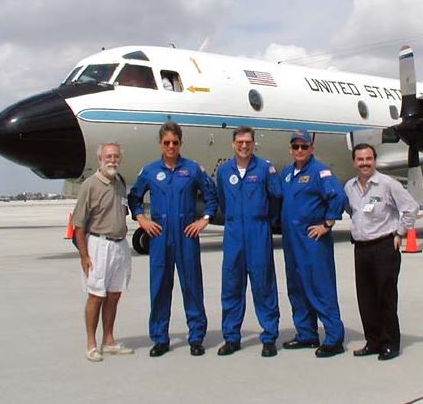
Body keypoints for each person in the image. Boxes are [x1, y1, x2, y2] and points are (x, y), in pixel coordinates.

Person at [128, 121, 218, 358]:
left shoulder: (193, 169)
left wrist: (204, 220)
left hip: (186, 236)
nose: (170, 146)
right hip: (160, 237)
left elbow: (211, 197)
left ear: (180, 143)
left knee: (192, 287)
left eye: (174, 142)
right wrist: (142, 220)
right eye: (166, 142)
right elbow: (134, 197)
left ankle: (196, 337)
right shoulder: (149, 171)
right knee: (159, 287)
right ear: (160, 143)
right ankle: (160, 338)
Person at [344, 143, 418, 361]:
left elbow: (410, 207)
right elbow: (352, 210)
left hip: (384, 246)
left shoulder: (387, 184)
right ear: (354, 162)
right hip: (361, 248)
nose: (364, 163)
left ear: (374, 160)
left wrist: (400, 233)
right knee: (365, 297)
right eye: (360, 159)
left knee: (385, 297)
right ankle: (373, 341)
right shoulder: (349, 187)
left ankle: (390, 343)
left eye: (368, 159)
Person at [215, 126, 282, 357]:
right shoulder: (224, 171)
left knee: (264, 285)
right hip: (233, 233)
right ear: (233, 144)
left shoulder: (265, 168)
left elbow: (275, 197)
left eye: (248, 142)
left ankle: (269, 337)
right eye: (240, 142)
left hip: (258, 232)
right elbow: (222, 201)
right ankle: (232, 337)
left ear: (254, 144)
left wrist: (264, 220)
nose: (244, 146)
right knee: (232, 285)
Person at [280, 130, 347, 358]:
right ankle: (306, 334)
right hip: (291, 242)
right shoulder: (288, 174)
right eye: (296, 147)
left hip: (313, 241)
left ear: (311, 148)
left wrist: (327, 224)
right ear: (290, 149)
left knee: (320, 287)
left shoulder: (320, 171)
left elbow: (337, 197)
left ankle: (334, 338)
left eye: (304, 146)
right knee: (296, 288)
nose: (300, 150)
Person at [72, 142, 133, 362]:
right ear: (100, 159)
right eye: (108, 156)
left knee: (114, 295)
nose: (112, 160)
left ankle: (109, 341)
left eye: (116, 156)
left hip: (120, 245)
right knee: (96, 295)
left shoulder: (120, 182)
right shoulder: (90, 185)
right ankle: (91, 343)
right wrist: (84, 256)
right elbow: (78, 225)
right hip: (98, 245)